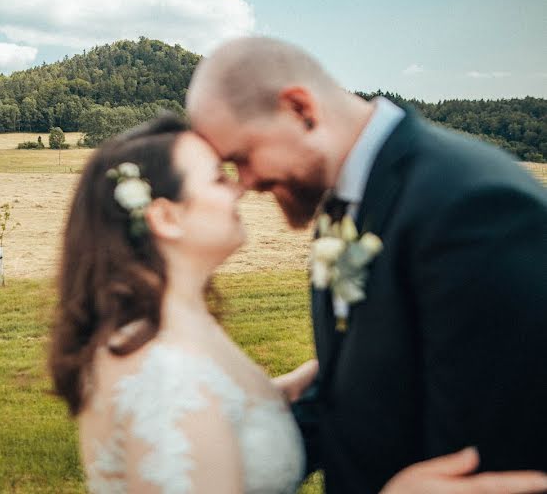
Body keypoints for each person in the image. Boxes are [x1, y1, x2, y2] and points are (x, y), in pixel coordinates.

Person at [48, 114, 547, 494]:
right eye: (219, 177)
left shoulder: (176, 330)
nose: (242, 185)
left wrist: (354, 362)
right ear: (166, 217)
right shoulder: (164, 376)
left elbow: (224, 412)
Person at [186, 37, 547, 494]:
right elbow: (364, 390)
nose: (248, 183)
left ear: (300, 108)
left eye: (242, 157)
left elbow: (493, 459)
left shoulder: (471, 206)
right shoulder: (340, 203)